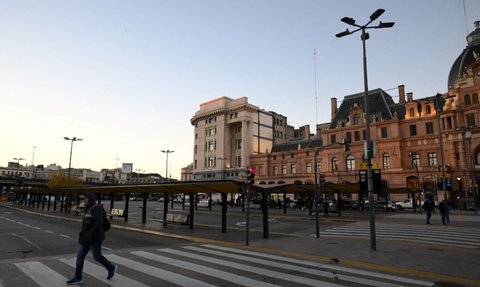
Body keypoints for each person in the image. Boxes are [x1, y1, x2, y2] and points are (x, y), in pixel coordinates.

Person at [67, 192, 117, 285]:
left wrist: (89, 235)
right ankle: (78, 278)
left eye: (85, 198)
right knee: (79, 257)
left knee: (97, 256)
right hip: (86, 238)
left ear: (90, 199)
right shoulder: (88, 208)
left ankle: (111, 267)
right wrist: (83, 236)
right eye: (84, 198)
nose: (84, 200)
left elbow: (98, 223)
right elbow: (86, 224)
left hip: (95, 238)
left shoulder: (96, 208)